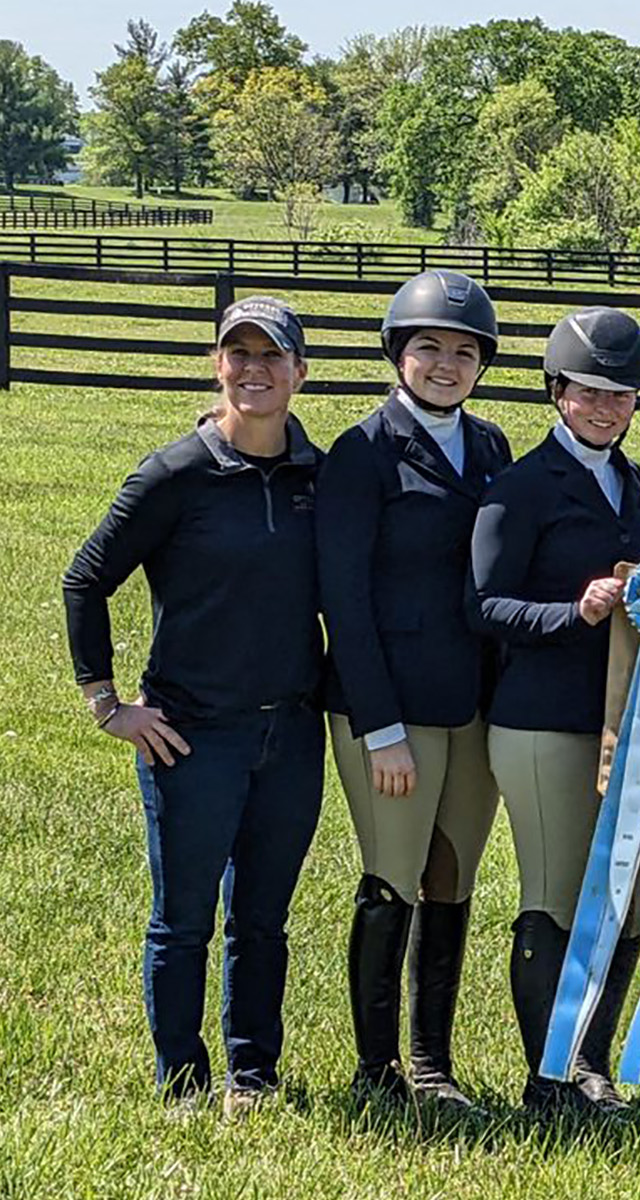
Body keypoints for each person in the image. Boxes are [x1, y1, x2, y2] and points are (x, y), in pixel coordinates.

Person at [62, 297, 324, 1116]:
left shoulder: (320, 475)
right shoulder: (175, 473)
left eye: (270, 356)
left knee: (264, 920)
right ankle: (182, 1081)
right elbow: (84, 581)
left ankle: (253, 1075)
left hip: (291, 731)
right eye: (236, 354)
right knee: (183, 923)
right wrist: (109, 705)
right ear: (217, 366)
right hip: (191, 735)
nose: (253, 370)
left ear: (299, 372)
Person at [316, 269, 512, 1110]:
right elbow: (344, 600)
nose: (445, 364)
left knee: (453, 875)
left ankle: (433, 1063)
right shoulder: (361, 453)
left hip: (473, 702)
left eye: (463, 352)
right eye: (428, 346)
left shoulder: (495, 445)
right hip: (389, 704)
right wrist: (379, 724)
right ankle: (375, 1069)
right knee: (392, 873)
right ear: (398, 353)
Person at [470, 306, 640, 1115]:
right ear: (556, 393)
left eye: (621, 395)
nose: (605, 407)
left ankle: (592, 1063)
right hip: (541, 721)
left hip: (623, 721)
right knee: (553, 894)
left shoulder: (636, 481)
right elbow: (483, 604)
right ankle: (547, 1078)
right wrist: (569, 613)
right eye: (588, 392)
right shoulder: (520, 487)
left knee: (630, 896)